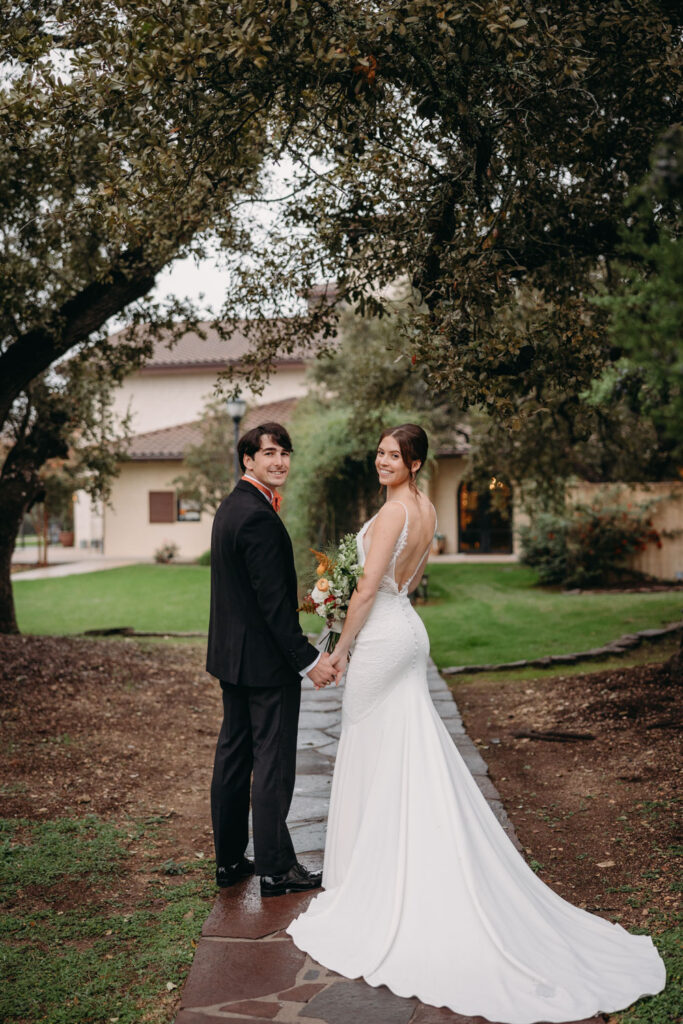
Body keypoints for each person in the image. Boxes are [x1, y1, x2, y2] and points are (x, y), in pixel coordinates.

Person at [287, 423, 666, 1022]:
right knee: (408, 750)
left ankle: (376, 886)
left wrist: (336, 647)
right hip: (408, 633)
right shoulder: (427, 510)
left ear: (413, 462)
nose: (383, 461)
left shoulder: (390, 515)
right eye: (380, 453)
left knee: (372, 748)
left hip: (383, 639)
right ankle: (405, 865)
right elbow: (407, 584)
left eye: (395, 455)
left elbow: (367, 590)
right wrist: (361, 609)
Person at [207, 422, 339, 898]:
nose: (279, 461)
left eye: (285, 452)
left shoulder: (231, 507)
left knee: (234, 755)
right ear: (248, 460)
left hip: (231, 659)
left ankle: (228, 862)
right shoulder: (259, 515)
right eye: (269, 453)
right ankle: (277, 869)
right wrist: (308, 659)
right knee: (273, 761)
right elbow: (270, 605)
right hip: (265, 665)